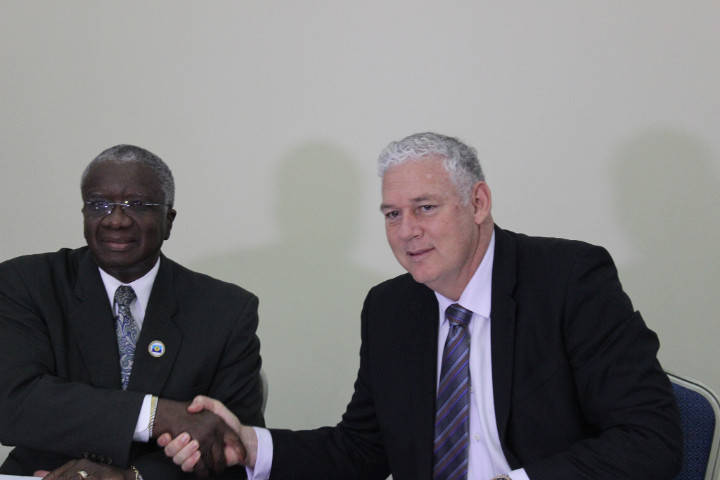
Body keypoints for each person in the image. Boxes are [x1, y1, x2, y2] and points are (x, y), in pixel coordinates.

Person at [161, 132, 683, 479]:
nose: (406, 232)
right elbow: (363, 449)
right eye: (391, 214)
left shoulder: (569, 280)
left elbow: (649, 438)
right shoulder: (392, 308)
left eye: (425, 208)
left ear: (478, 203)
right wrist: (251, 445)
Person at [0, 145, 264, 479]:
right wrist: (156, 415)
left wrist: (134, 477)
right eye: (99, 204)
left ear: (168, 220)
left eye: (137, 205)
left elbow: (233, 446)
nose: (116, 220)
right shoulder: (26, 284)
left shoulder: (225, 310)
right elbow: (13, 402)